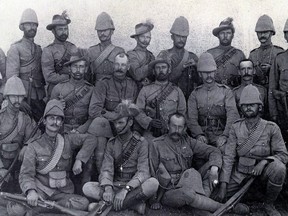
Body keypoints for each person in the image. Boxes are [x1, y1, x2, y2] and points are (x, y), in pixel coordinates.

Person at [7, 99, 97, 215]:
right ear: (44, 121)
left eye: (59, 118)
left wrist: (79, 160)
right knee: (16, 210)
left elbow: (91, 139)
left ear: (62, 122)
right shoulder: (34, 145)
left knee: (83, 203)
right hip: (41, 191)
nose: (55, 122)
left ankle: (40, 209)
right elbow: (26, 174)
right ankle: (48, 207)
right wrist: (31, 191)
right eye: (51, 118)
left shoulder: (68, 139)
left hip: (62, 193)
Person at [150, 113, 247, 215]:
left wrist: (214, 169)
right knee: (187, 193)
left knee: (209, 167)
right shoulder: (157, 144)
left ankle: (197, 207)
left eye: (180, 127)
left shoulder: (188, 141)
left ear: (184, 128)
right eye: (174, 126)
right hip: (169, 191)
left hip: (190, 181)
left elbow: (214, 151)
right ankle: (225, 207)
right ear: (168, 125)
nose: (176, 130)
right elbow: (153, 173)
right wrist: (155, 200)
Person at [215, 84, 288, 216]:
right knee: (219, 196)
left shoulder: (271, 128)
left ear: (259, 107)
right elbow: (229, 156)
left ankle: (269, 204)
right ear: (241, 108)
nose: (248, 107)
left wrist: (265, 161)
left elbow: (283, 155)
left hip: (263, 175)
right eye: (245, 105)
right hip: (240, 173)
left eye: (252, 104)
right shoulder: (235, 128)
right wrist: (224, 184)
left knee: (279, 168)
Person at [83, 101, 159, 215]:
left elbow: (143, 172)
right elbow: (106, 169)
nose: (117, 126)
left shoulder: (141, 143)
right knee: (87, 187)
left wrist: (126, 189)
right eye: (115, 123)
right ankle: (134, 205)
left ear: (130, 122)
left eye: (120, 122)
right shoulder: (111, 143)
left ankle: (107, 206)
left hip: (133, 187)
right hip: (115, 185)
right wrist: (108, 188)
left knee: (153, 183)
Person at [87, 53, 138, 175]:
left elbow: (135, 109)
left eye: (123, 65)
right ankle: (102, 176)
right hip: (108, 126)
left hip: (126, 126)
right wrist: (114, 116)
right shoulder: (103, 83)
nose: (120, 68)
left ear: (128, 67)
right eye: (117, 64)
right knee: (100, 129)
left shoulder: (133, 85)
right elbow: (94, 109)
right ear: (112, 65)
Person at [187, 52, 239, 153]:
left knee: (227, 152)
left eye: (211, 72)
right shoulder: (195, 94)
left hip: (221, 133)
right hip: (202, 134)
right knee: (196, 153)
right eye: (205, 73)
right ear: (200, 74)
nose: (209, 76)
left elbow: (232, 115)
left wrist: (225, 135)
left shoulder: (226, 92)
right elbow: (191, 118)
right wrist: (199, 134)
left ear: (215, 72)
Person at [6, 8, 46, 123]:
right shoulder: (15, 48)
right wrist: (19, 100)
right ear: (22, 27)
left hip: (38, 97)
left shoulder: (39, 49)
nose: (32, 27)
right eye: (28, 24)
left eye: (34, 24)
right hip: (23, 98)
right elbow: (12, 79)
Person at [0, 76, 38, 194]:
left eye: (20, 96)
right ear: (7, 96)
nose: (18, 100)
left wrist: (27, 145)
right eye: (14, 96)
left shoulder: (25, 118)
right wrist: (0, 169)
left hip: (18, 166)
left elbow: (34, 136)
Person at [135, 51, 186, 138]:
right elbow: (138, 111)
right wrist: (149, 122)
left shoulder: (177, 91)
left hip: (171, 133)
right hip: (151, 133)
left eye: (164, 67)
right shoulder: (145, 90)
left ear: (169, 70)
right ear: (154, 71)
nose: (161, 70)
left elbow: (182, 113)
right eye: (158, 68)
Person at [50, 52, 93, 134]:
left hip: (83, 130)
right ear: (69, 68)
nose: (78, 70)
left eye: (81, 67)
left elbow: (93, 116)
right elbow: (50, 114)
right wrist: (57, 107)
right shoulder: (58, 88)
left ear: (86, 69)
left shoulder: (91, 90)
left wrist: (81, 130)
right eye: (75, 66)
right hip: (62, 129)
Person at [158, 16, 200, 99]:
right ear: (172, 37)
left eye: (184, 37)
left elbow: (200, 82)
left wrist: (197, 66)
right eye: (178, 36)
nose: (181, 39)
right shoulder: (163, 55)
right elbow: (157, 80)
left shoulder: (192, 57)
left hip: (187, 99)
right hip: (167, 99)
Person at [42, 11, 78, 99]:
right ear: (53, 31)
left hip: (73, 90)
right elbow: (49, 76)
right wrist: (70, 77)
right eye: (60, 29)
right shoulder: (48, 50)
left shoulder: (73, 47)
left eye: (66, 29)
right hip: (56, 92)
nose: (64, 32)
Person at [87, 12, 125, 84]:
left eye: (105, 30)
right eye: (99, 31)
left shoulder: (119, 51)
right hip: (95, 87)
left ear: (112, 31)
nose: (102, 33)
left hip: (113, 87)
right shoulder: (91, 51)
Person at [207, 17, 245, 88]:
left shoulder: (239, 55)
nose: (225, 36)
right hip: (215, 92)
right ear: (218, 35)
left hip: (233, 92)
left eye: (228, 33)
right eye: (222, 33)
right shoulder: (209, 54)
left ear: (232, 35)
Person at [249, 15, 283, 88]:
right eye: (259, 33)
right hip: (258, 92)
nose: (262, 35)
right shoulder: (253, 54)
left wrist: (271, 69)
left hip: (274, 92)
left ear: (271, 33)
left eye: (265, 32)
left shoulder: (279, 52)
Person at [269, 18, 288, 140]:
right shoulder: (279, 58)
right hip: (284, 109)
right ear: (286, 36)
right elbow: (272, 87)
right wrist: (274, 114)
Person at [127, 20, 155, 91]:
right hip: (133, 91)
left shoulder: (151, 56)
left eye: (148, 37)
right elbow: (137, 75)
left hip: (149, 91)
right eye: (142, 37)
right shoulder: (131, 54)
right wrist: (152, 65)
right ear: (136, 38)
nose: (145, 40)